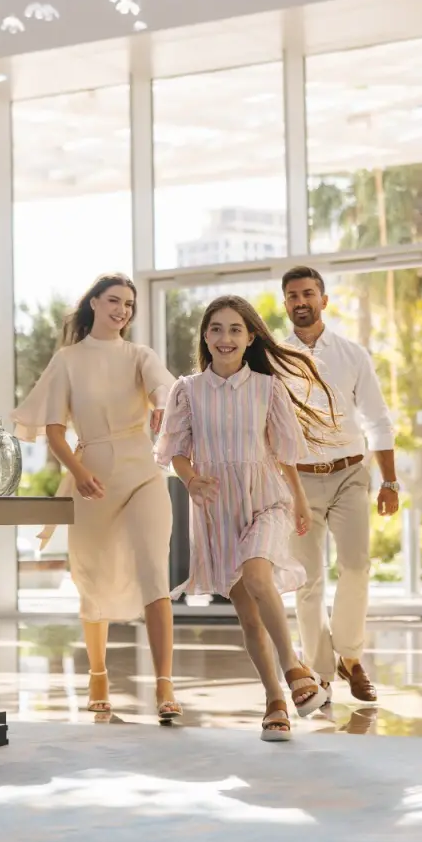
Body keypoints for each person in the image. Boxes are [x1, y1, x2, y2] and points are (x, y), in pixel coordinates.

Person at [155, 295, 338, 742]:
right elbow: (176, 450)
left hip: (266, 500)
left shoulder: (267, 387)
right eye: (216, 328)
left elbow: (283, 452)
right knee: (249, 618)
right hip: (217, 511)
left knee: (259, 577)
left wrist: (297, 499)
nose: (225, 337)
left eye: (235, 329)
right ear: (205, 335)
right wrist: (192, 479)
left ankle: (295, 670)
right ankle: (276, 699)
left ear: (251, 336)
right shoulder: (188, 391)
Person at [12, 272, 181, 723]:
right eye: (113, 300)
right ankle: (98, 674)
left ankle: (165, 686)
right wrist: (79, 473)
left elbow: (161, 384)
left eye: (128, 304)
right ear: (94, 304)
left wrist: (163, 401)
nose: (122, 309)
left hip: (143, 471)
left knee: (154, 570)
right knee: (92, 576)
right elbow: (53, 432)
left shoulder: (140, 355)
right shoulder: (68, 360)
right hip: (93, 478)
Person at [281, 265, 400, 704]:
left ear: (324, 300)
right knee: (307, 581)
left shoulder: (352, 355)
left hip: (350, 473)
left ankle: (351, 658)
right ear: (286, 304)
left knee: (355, 566)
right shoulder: (273, 358)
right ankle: (320, 669)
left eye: (308, 293)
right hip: (298, 481)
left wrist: (390, 481)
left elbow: (377, 420)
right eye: (293, 295)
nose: (301, 301)